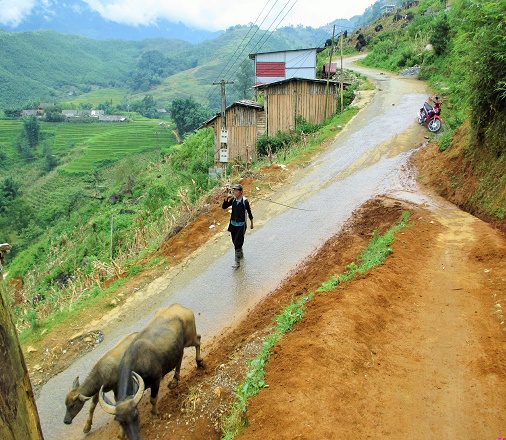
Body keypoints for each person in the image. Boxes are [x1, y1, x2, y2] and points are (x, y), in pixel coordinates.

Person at [222, 184, 254, 268]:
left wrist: (251, 222)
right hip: (233, 224)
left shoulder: (244, 201)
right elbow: (224, 207)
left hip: (241, 225)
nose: (235, 192)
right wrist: (227, 199)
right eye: (234, 191)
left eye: (236, 191)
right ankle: (240, 252)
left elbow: (249, 212)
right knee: (234, 241)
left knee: (237, 242)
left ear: (241, 192)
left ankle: (237, 262)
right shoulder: (233, 200)